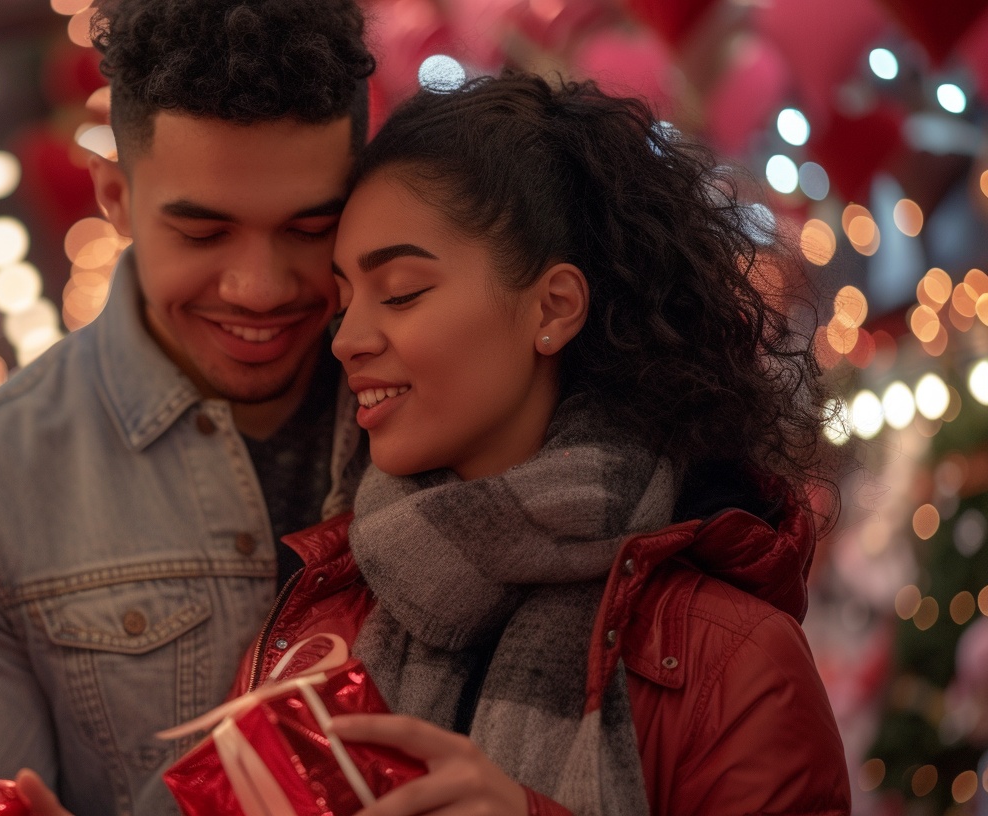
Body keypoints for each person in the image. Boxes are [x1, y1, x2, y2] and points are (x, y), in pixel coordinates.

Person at [224, 71, 852, 815]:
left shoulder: (738, 666)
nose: (349, 341)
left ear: (553, 308)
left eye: (399, 292)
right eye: (344, 301)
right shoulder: (322, 621)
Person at [0, 1, 374, 814]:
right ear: (115, 195)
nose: (259, 288)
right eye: (204, 234)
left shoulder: (441, 421)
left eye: (309, 229)